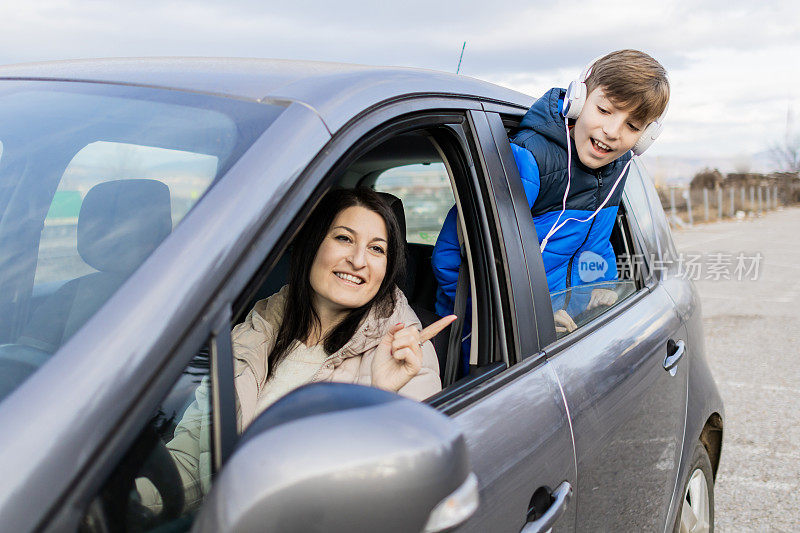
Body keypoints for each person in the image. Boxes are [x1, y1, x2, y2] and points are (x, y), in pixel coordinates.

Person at [142, 188, 455, 510]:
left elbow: (394, 494)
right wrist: (132, 503)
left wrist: (379, 397)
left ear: (387, 268)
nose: (358, 260)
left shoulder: (404, 355)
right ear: (311, 243)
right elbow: (196, 454)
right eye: (344, 239)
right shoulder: (255, 328)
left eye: (377, 249)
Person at [433, 49, 669, 335]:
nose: (612, 131)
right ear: (578, 101)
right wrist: (522, 322)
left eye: (632, 126)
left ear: (644, 137)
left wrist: (603, 286)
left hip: (563, 328)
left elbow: (595, 246)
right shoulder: (528, 161)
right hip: (492, 336)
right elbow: (452, 256)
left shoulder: (618, 167)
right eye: (605, 110)